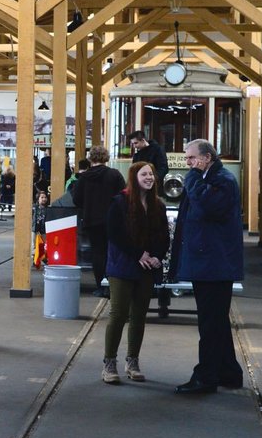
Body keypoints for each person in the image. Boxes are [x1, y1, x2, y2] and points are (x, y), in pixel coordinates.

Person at [171, 139, 244, 395]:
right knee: (217, 321)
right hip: (209, 261)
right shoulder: (210, 179)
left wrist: (191, 179)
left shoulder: (222, 181)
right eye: (187, 158)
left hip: (214, 263)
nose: (187, 163)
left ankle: (206, 377)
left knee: (210, 323)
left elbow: (207, 207)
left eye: (191, 158)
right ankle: (229, 372)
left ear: (207, 157)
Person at [101, 162, 169, 384]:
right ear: (134, 176)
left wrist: (157, 256)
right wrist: (139, 254)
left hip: (146, 268)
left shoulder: (158, 205)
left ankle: (133, 362)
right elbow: (115, 233)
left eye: (151, 174)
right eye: (144, 174)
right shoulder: (119, 202)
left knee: (139, 316)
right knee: (118, 313)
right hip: (122, 265)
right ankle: (109, 363)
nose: (149, 177)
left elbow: (163, 236)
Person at [70, 146, 126, 298]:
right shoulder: (114, 175)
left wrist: (88, 206)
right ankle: (113, 285)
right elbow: (124, 196)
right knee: (112, 251)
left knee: (97, 253)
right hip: (113, 220)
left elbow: (76, 199)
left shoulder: (84, 177)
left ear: (90, 158)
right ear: (106, 157)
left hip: (92, 220)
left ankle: (100, 286)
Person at [32, 190, 49, 269]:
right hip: (34, 230)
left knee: (43, 245)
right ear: (38, 199)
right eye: (42, 197)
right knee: (34, 246)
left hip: (43, 230)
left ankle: (42, 259)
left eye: (45, 197)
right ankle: (39, 260)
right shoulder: (34, 208)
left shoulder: (47, 209)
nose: (44, 199)